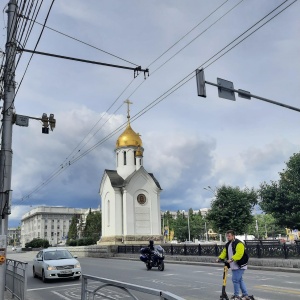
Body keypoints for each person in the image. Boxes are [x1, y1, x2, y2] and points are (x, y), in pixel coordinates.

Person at [217, 230, 250, 300]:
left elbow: (239, 254)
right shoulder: (228, 244)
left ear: (233, 236)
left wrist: (232, 259)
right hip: (233, 265)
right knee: (239, 280)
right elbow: (224, 252)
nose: (228, 237)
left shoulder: (239, 243)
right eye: (227, 236)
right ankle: (245, 295)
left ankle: (236, 295)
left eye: (229, 236)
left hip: (240, 264)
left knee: (235, 280)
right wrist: (219, 258)